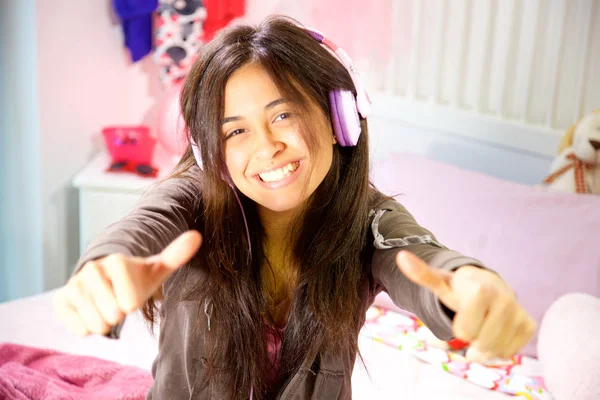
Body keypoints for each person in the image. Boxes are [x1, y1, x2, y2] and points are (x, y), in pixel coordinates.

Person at [53, 15, 536, 400]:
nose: (267, 148)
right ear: (210, 152)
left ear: (338, 117)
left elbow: (421, 258)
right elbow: (141, 227)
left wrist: (469, 291)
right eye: (235, 131)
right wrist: (103, 268)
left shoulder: (368, 219)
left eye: (283, 114)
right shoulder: (193, 201)